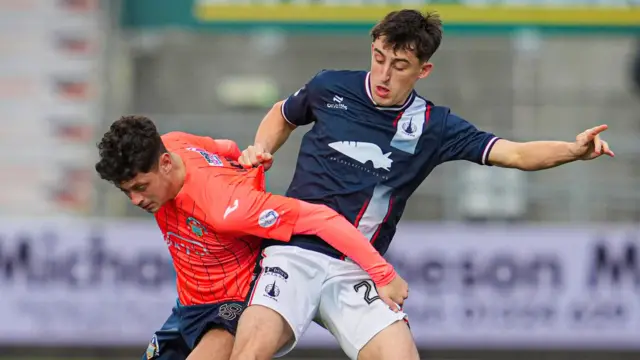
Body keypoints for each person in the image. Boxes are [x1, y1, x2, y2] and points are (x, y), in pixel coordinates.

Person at [232, 9, 615, 360]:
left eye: (400, 66)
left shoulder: (435, 125)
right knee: (251, 350)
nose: (384, 74)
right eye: (379, 58)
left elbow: (513, 154)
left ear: (423, 70)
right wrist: (261, 148)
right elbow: (282, 115)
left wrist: (571, 150)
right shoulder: (329, 86)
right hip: (294, 253)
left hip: (359, 268)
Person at [94, 115, 409, 360]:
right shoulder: (172, 143)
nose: (136, 201)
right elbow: (226, 148)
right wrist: (250, 159)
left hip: (230, 308)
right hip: (188, 306)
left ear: (164, 164)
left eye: (140, 187)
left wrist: (383, 273)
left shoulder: (227, 207)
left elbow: (319, 218)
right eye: (127, 192)